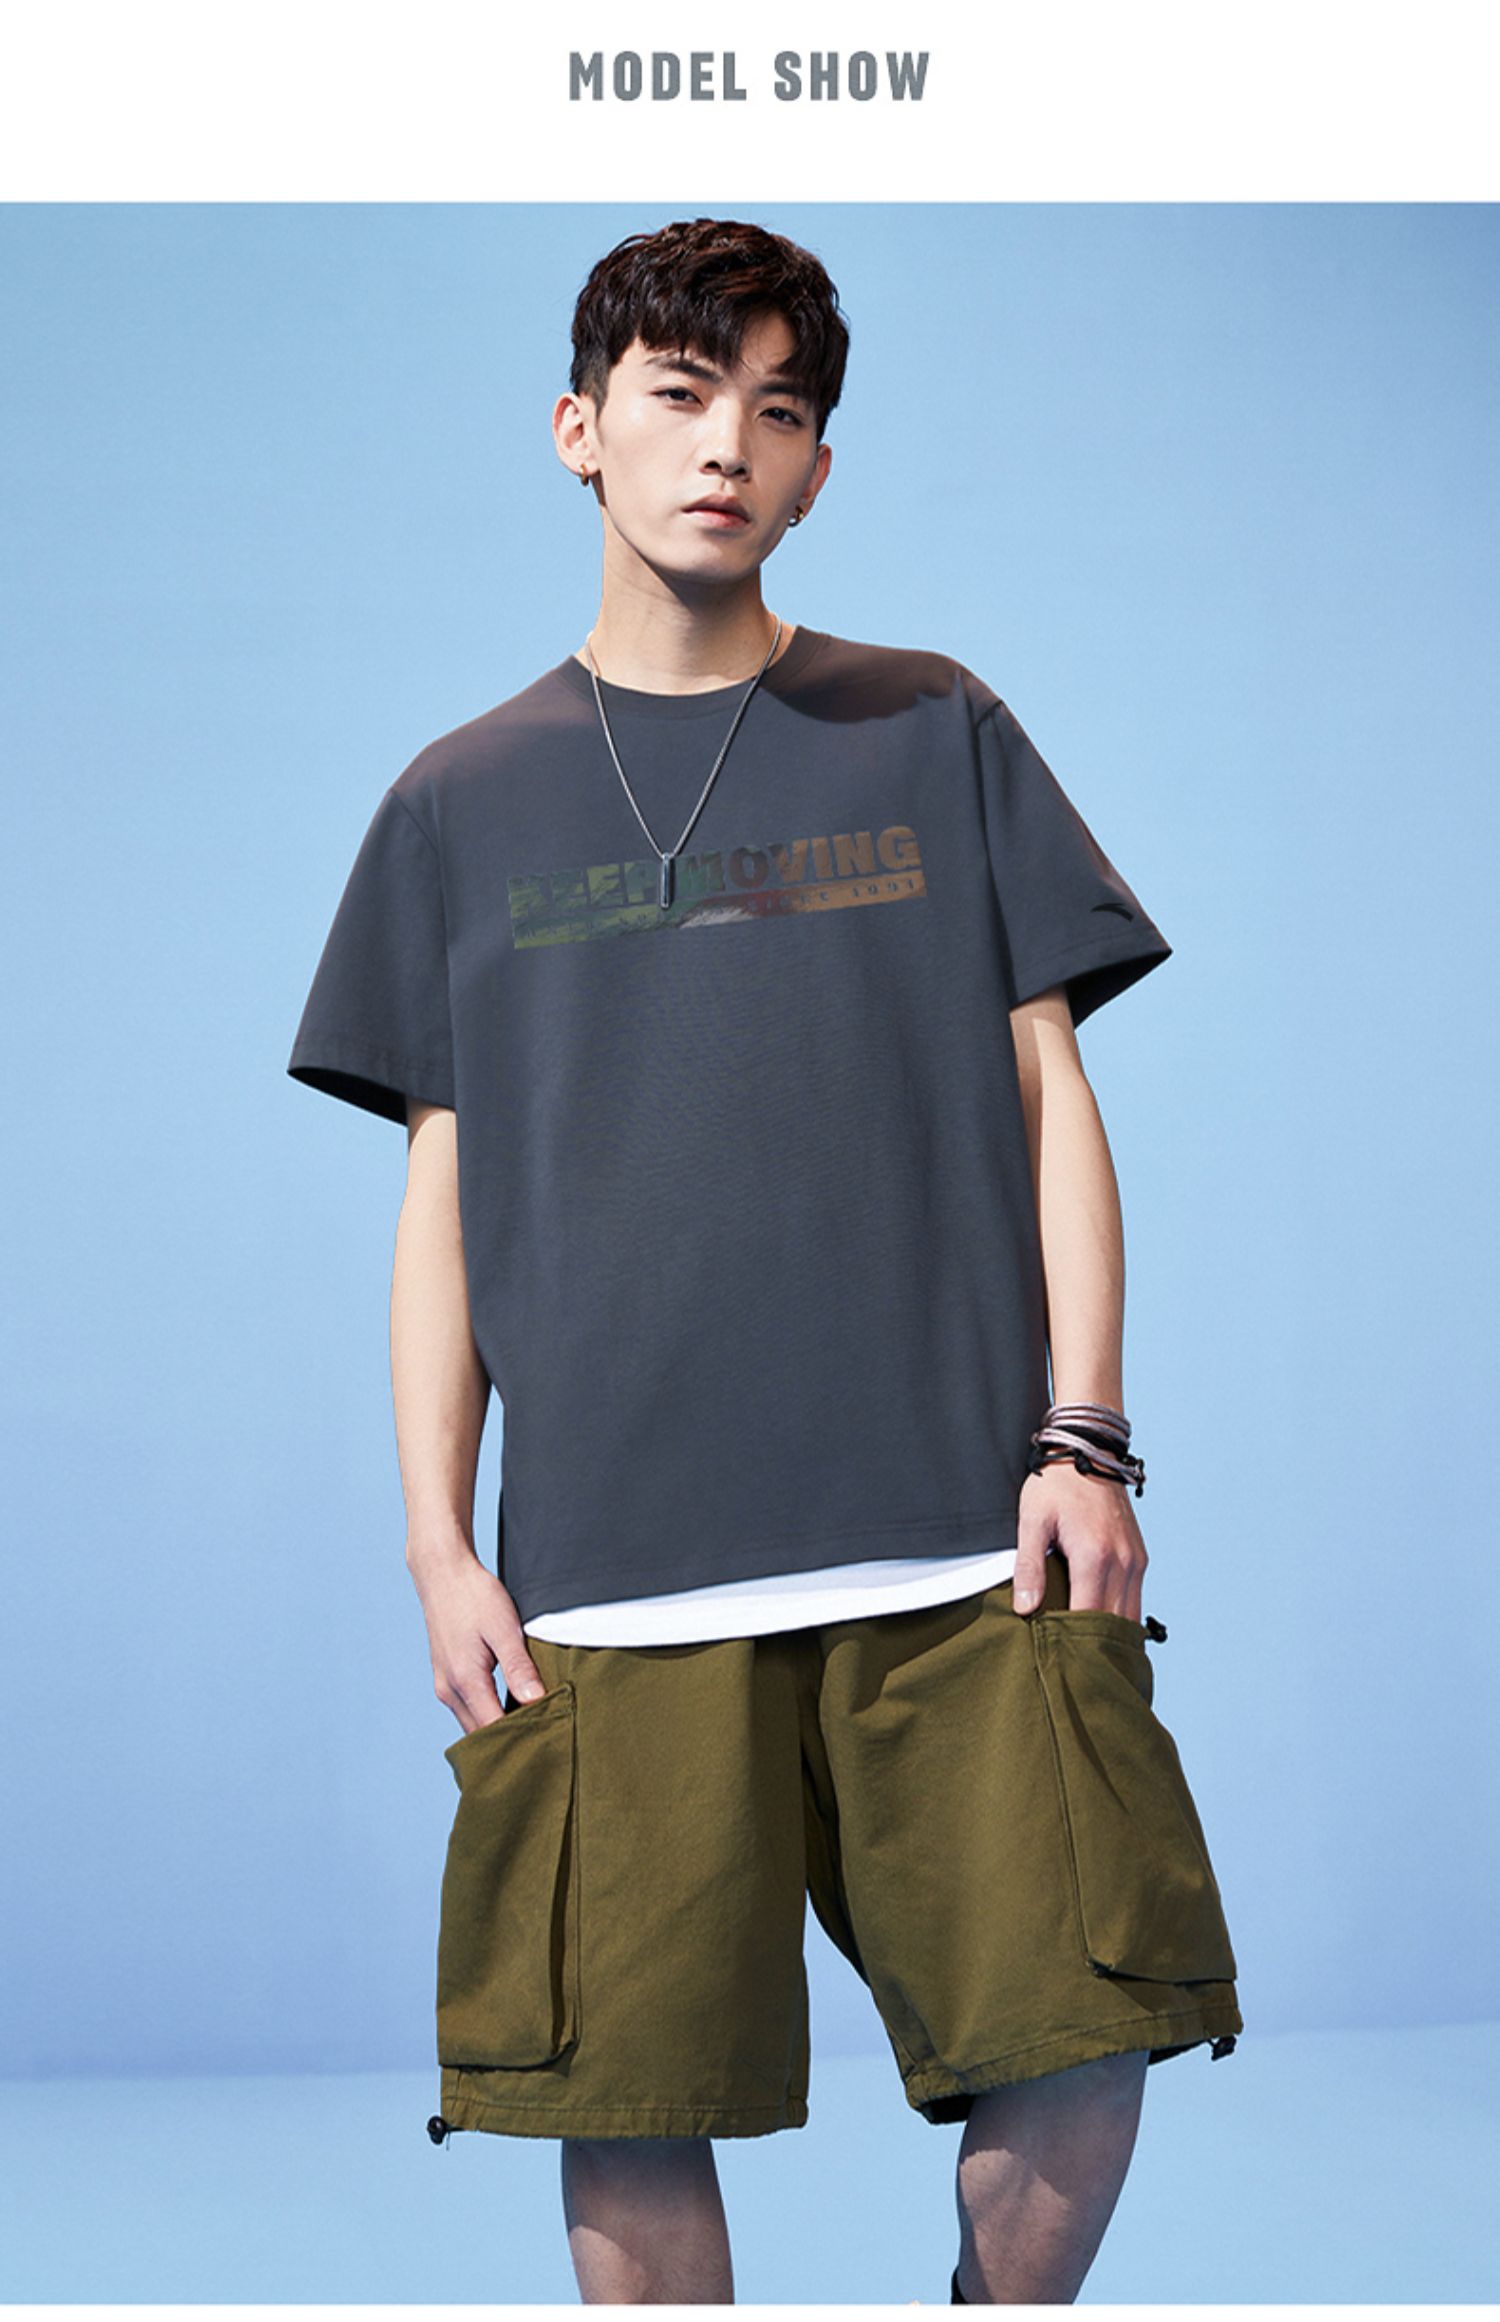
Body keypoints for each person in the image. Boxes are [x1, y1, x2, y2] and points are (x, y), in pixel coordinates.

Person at [286, 216, 1241, 2306]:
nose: (729, 441)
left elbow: (1053, 1095)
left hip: (959, 1550)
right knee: (627, 2105)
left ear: (814, 469)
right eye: (682, 391)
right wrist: (441, 1543)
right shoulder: (458, 804)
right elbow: (445, 1196)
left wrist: (1086, 1435)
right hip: (618, 1578)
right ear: (580, 428)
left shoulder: (932, 727)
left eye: (780, 408)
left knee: (1087, 2035)